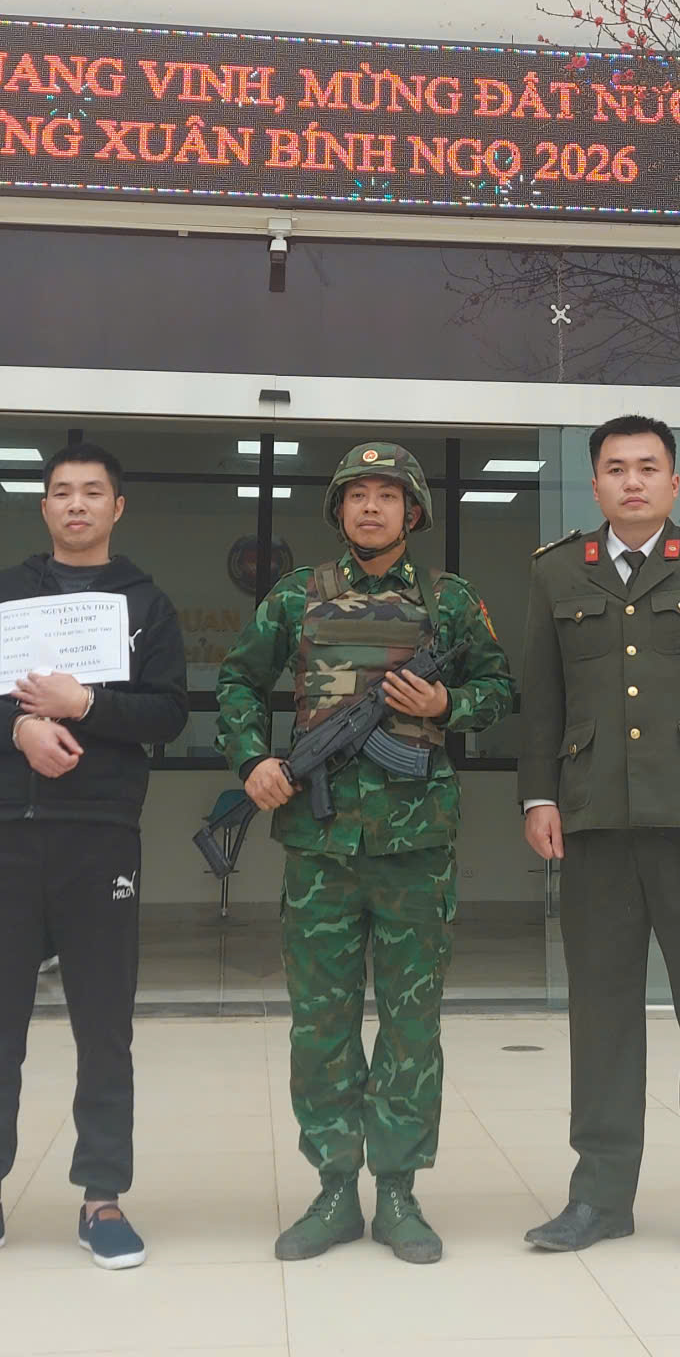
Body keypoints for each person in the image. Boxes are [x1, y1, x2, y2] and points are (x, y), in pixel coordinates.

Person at [0, 442, 186, 1273]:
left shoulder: (145, 604)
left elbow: (169, 713)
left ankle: (103, 1199)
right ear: (45, 506)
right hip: (4, 831)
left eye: (93, 492)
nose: (77, 504)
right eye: (62, 492)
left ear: (117, 507)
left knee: (105, 1024)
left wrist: (85, 703)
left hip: (100, 834)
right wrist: (18, 727)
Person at [217, 442, 515, 1265]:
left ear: (413, 512)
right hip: (320, 849)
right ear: (339, 510)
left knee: (412, 1026)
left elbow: (501, 688)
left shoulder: (449, 601)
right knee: (322, 1025)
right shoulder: (295, 597)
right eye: (358, 495)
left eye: (388, 495)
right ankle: (334, 1190)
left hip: (416, 846)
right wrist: (253, 760)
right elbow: (237, 682)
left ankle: (399, 1192)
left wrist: (448, 702)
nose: (372, 508)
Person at [516, 416, 680, 1268]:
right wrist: (538, 795)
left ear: (673, 482)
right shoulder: (558, 571)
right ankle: (599, 1196)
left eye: (648, 467)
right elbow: (542, 698)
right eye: (616, 469)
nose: (632, 481)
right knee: (601, 1018)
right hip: (593, 822)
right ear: (595, 484)